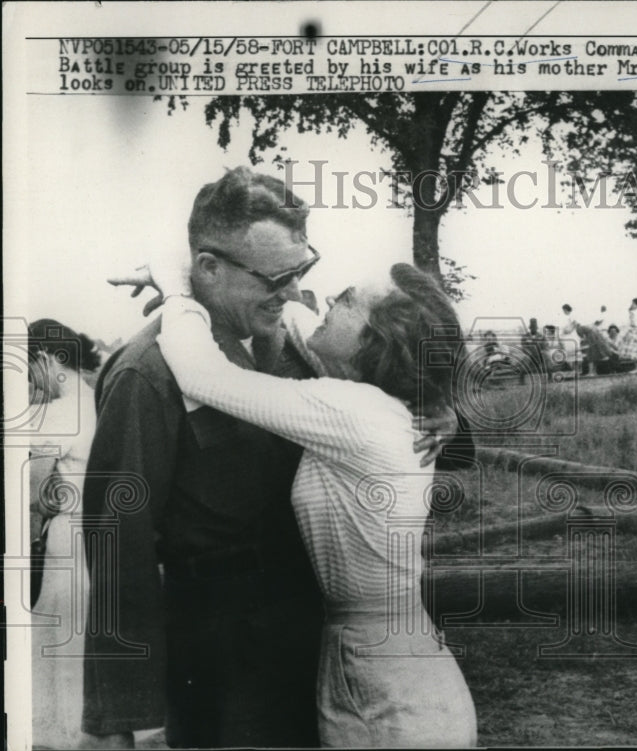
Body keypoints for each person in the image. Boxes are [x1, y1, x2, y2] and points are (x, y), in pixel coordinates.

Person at [82, 168, 464, 749]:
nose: (293, 292)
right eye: (277, 277)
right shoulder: (148, 373)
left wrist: (445, 416)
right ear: (209, 269)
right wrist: (119, 713)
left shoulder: (297, 343)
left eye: (301, 271)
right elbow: (118, 542)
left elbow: (396, 392)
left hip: (318, 642)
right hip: (220, 656)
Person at [149, 259, 477, 747]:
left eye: (344, 298)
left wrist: (177, 283)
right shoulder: (378, 401)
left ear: (374, 338)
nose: (323, 301)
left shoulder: (351, 411)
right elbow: (299, 321)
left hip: (377, 674)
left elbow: (200, 374)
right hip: (395, 660)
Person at [27, 319, 100, 750]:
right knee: (79, 633)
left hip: (68, 537)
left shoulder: (61, 410)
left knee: (61, 635)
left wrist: (40, 499)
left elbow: (30, 485)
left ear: (47, 358)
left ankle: (65, 734)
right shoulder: (94, 399)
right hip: (92, 535)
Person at [519, 317, 547, 385]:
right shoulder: (525, 337)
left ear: (536, 328)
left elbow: (545, 345)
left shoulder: (541, 336)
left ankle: (550, 376)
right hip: (530, 356)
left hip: (539, 355)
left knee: (546, 356)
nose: (533, 329)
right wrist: (527, 352)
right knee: (525, 359)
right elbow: (523, 347)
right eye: (532, 328)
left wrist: (543, 351)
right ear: (530, 328)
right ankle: (521, 379)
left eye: (534, 327)